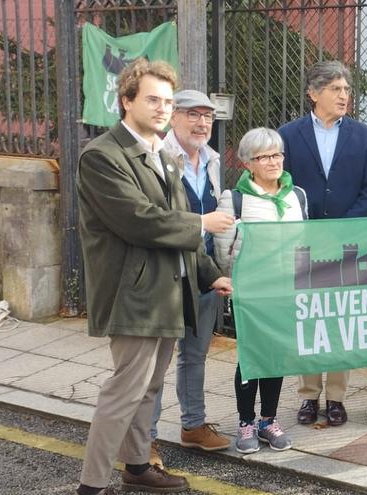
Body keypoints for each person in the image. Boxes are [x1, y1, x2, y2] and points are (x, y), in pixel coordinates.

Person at [75, 59, 234, 495]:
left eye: (167, 101)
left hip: (167, 292)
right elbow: (138, 220)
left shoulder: (163, 154)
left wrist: (209, 273)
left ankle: (138, 466)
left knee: (149, 387)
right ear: (126, 101)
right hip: (133, 295)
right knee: (124, 391)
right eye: (152, 99)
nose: (163, 108)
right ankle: (91, 485)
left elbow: (175, 217)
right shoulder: (102, 156)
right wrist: (204, 224)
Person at [278, 60, 367, 427]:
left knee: (339, 321)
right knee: (310, 320)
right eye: (336, 89)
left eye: (346, 90)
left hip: (345, 243)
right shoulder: (287, 135)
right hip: (303, 242)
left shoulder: (365, 136)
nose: (343, 96)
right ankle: (308, 397)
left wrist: (342, 229)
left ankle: (337, 398)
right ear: (313, 93)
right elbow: (281, 184)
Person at [148, 89, 230, 470]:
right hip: (167, 275)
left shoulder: (211, 160)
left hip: (205, 271)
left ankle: (193, 425)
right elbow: (155, 220)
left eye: (207, 117)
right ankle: (144, 440)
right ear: (173, 118)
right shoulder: (156, 158)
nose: (201, 124)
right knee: (156, 363)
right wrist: (202, 223)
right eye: (193, 115)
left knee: (195, 355)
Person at [214, 127, 304, 453]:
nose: (272, 161)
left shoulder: (297, 196)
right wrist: (230, 283)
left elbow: (303, 244)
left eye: (277, 154)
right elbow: (223, 250)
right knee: (251, 357)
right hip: (250, 292)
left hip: (285, 291)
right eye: (263, 156)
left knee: (275, 357)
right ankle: (245, 421)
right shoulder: (235, 199)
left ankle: (268, 420)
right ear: (248, 163)